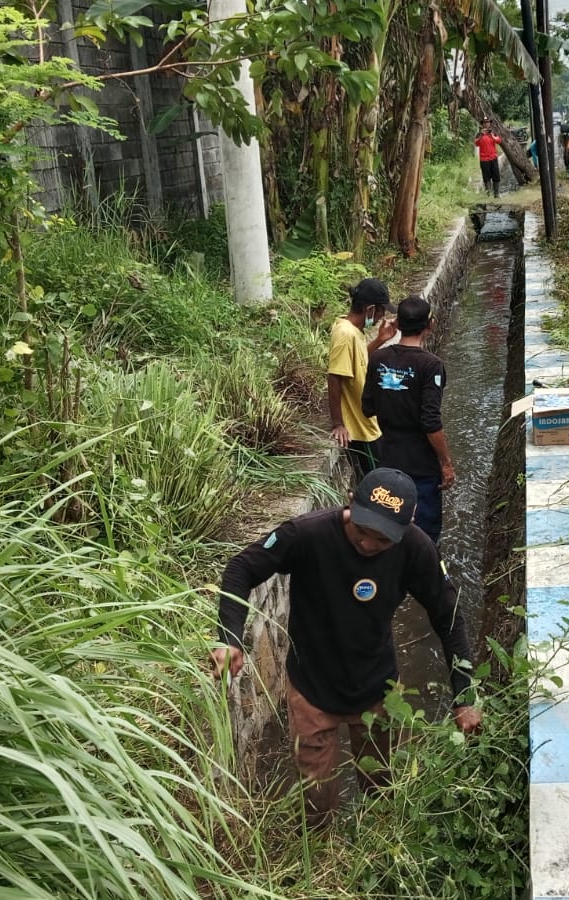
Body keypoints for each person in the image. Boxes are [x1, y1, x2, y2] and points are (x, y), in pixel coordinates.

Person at [213, 468, 481, 827]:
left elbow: (448, 618)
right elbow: (241, 569)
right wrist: (229, 638)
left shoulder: (416, 549)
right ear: (352, 502)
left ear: (407, 524)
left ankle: (379, 853)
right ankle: (323, 859)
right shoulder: (306, 534)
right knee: (316, 803)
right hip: (312, 689)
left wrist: (464, 695)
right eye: (362, 531)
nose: (368, 545)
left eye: (382, 539)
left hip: (377, 691)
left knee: (382, 791)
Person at [361, 296, 456, 543]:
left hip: (387, 459)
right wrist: (445, 463)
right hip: (421, 466)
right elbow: (431, 421)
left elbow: (367, 408)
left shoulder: (378, 359)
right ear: (430, 324)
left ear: (397, 324)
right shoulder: (431, 365)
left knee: (390, 528)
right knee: (423, 536)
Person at [329, 278, 397, 481]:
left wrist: (379, 340)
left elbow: (357, 362)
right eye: (380, 311)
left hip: (369, 423)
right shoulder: (344, 334)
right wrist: (338, 423)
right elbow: (334, 377)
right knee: (378, 486)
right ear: (369, 309)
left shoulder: (354, 332)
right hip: (359, 429)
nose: (381, 317)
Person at [475, 119, 502, 198]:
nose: (486, 124)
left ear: (490, 124)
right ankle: (488, 195)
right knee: (486, 178)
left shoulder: (493, 132)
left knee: (496, 176)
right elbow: (476, 143)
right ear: (482, 124)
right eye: (484, 122)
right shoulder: (479, 134)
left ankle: (496, 195)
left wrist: (492, 136)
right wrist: (481, 135)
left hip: (493, 158)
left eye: (488, 122)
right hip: (484, 160)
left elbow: (499, 141)